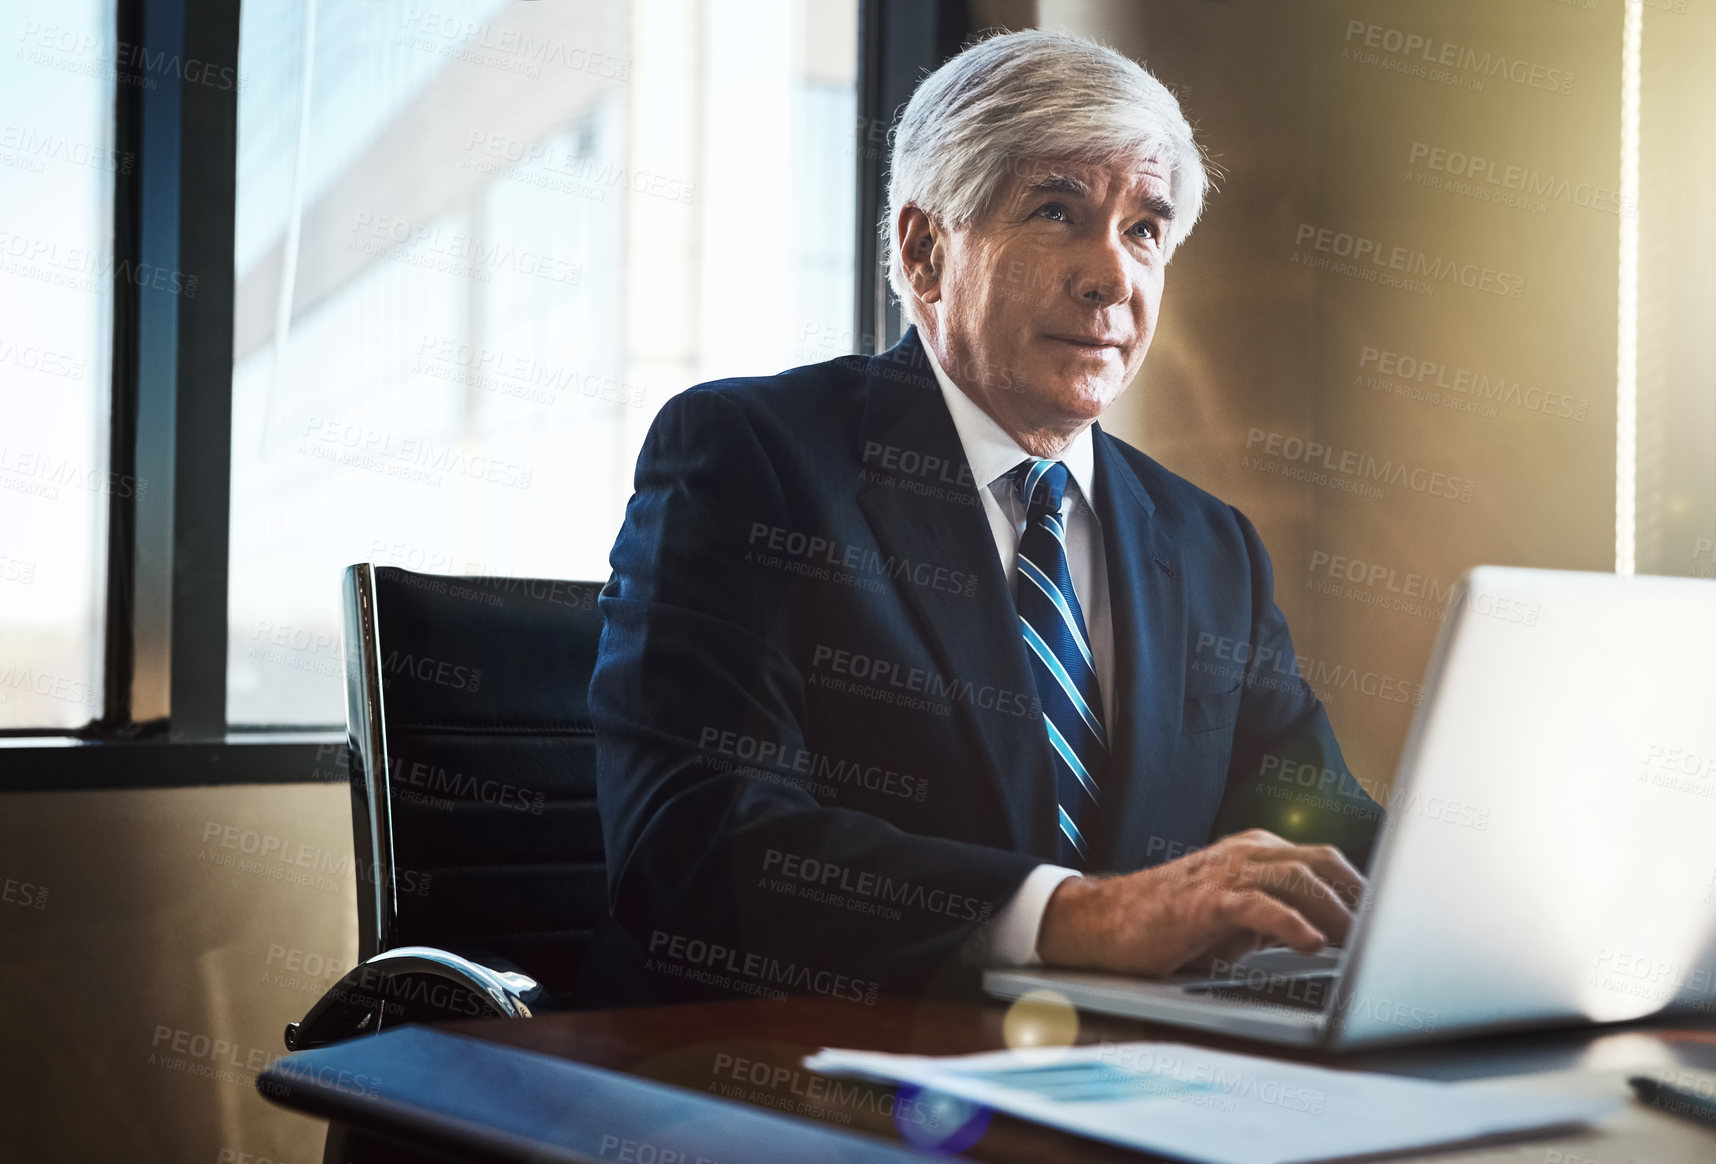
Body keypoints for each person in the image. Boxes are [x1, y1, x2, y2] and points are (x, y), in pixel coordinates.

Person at [586, 29, 1383, 1006]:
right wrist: (1079, 918)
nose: (1112, 278)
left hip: (1146, 1088)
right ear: (926, 252)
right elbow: (695, 844)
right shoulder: (751, 458)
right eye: (1058, 212)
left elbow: (1319, 829)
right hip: (825, 1080)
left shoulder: (1211, 544)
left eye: (1144, 230)